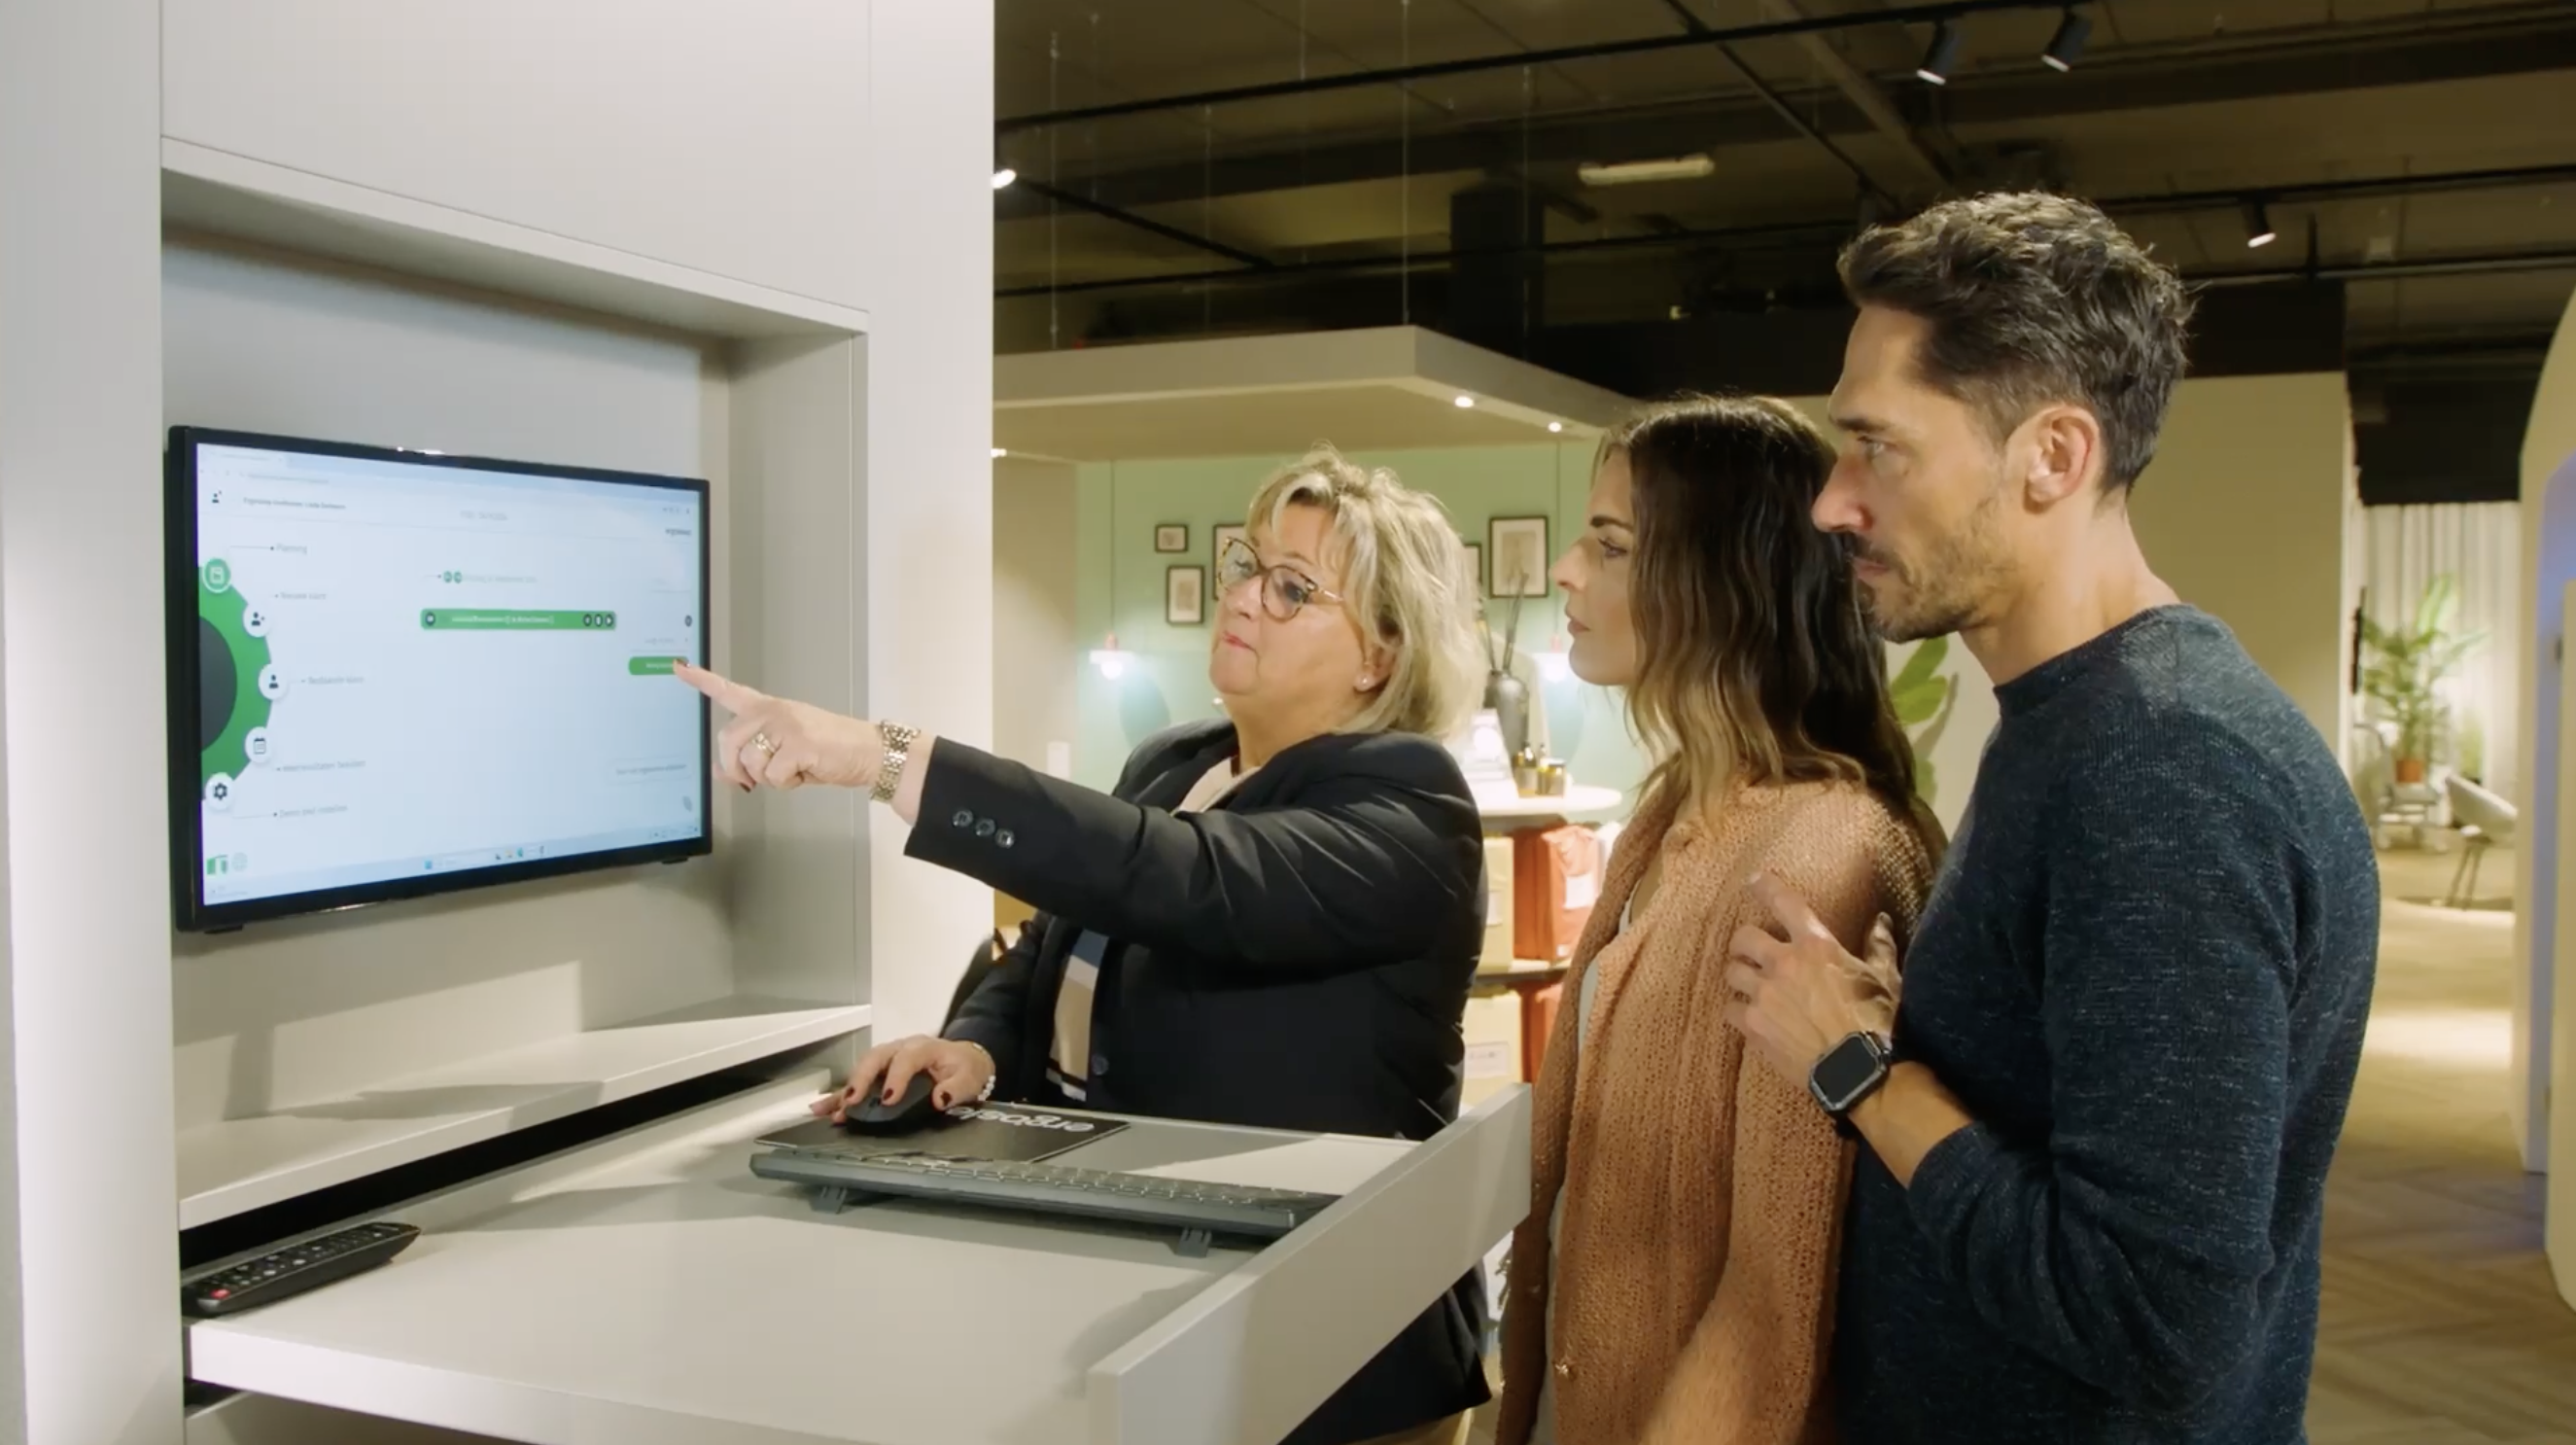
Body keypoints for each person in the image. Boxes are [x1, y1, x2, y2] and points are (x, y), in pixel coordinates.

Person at [1724, 193, 2379, 1444]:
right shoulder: (2085, 725)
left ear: (2053, 456)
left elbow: (2156, 1320)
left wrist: (1856, 1067)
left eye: (1878, 447)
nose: (1832, 501)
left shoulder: (2164, 769)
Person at [679, 443, 1492, 1445]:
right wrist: (975, 1047)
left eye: (1293, 589)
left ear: (1380, 655)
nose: (1244, 597)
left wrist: (879, 757)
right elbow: (1049, 947)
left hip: (1329, 1342)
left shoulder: (1409, 808)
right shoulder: (1175, 761)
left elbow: (1172, 877)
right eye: (1247, 564)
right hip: (1143, 1295)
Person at [1494, 396, 1939, 1445]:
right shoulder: (1668, 811)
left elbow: (1777, 1297)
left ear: (1726, 583)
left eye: (1610, 545)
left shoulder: (1818, 858)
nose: (1566, 569)